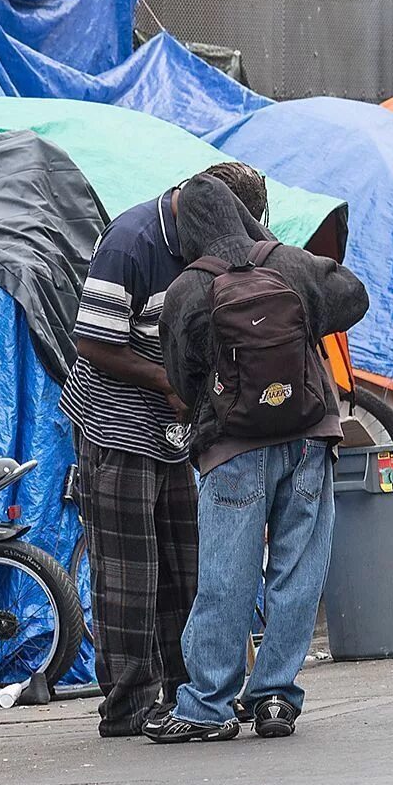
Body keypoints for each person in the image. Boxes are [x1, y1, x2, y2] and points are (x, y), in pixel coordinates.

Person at [144, 173, 368, 742]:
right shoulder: (290, 263)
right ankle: (274, 699)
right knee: (296, 569)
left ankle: (208, 707)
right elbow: (355, 297)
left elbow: (180, 375)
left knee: (225, 575)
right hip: (309, 435)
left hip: (233, 447)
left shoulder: (188, 290)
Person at [60, 161, 272, 737]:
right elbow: (93, 343)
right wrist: (169, 383)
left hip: (173, 427)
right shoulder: (132, 240)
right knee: (132, 572)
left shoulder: (208, 244)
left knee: (188, 564)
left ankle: (192, 696)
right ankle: (128, 707)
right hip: (116, 422)